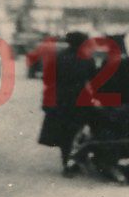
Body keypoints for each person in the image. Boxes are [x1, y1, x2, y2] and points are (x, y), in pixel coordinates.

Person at [38, 31, 96, 175]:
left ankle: (67, 162)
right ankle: (75, 160)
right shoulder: (87, 59)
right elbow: (94, 79)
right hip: (80, 99)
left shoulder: (59, 57)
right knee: (78, 130)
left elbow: (47, 78)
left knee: (65, 133)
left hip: (61, 99)